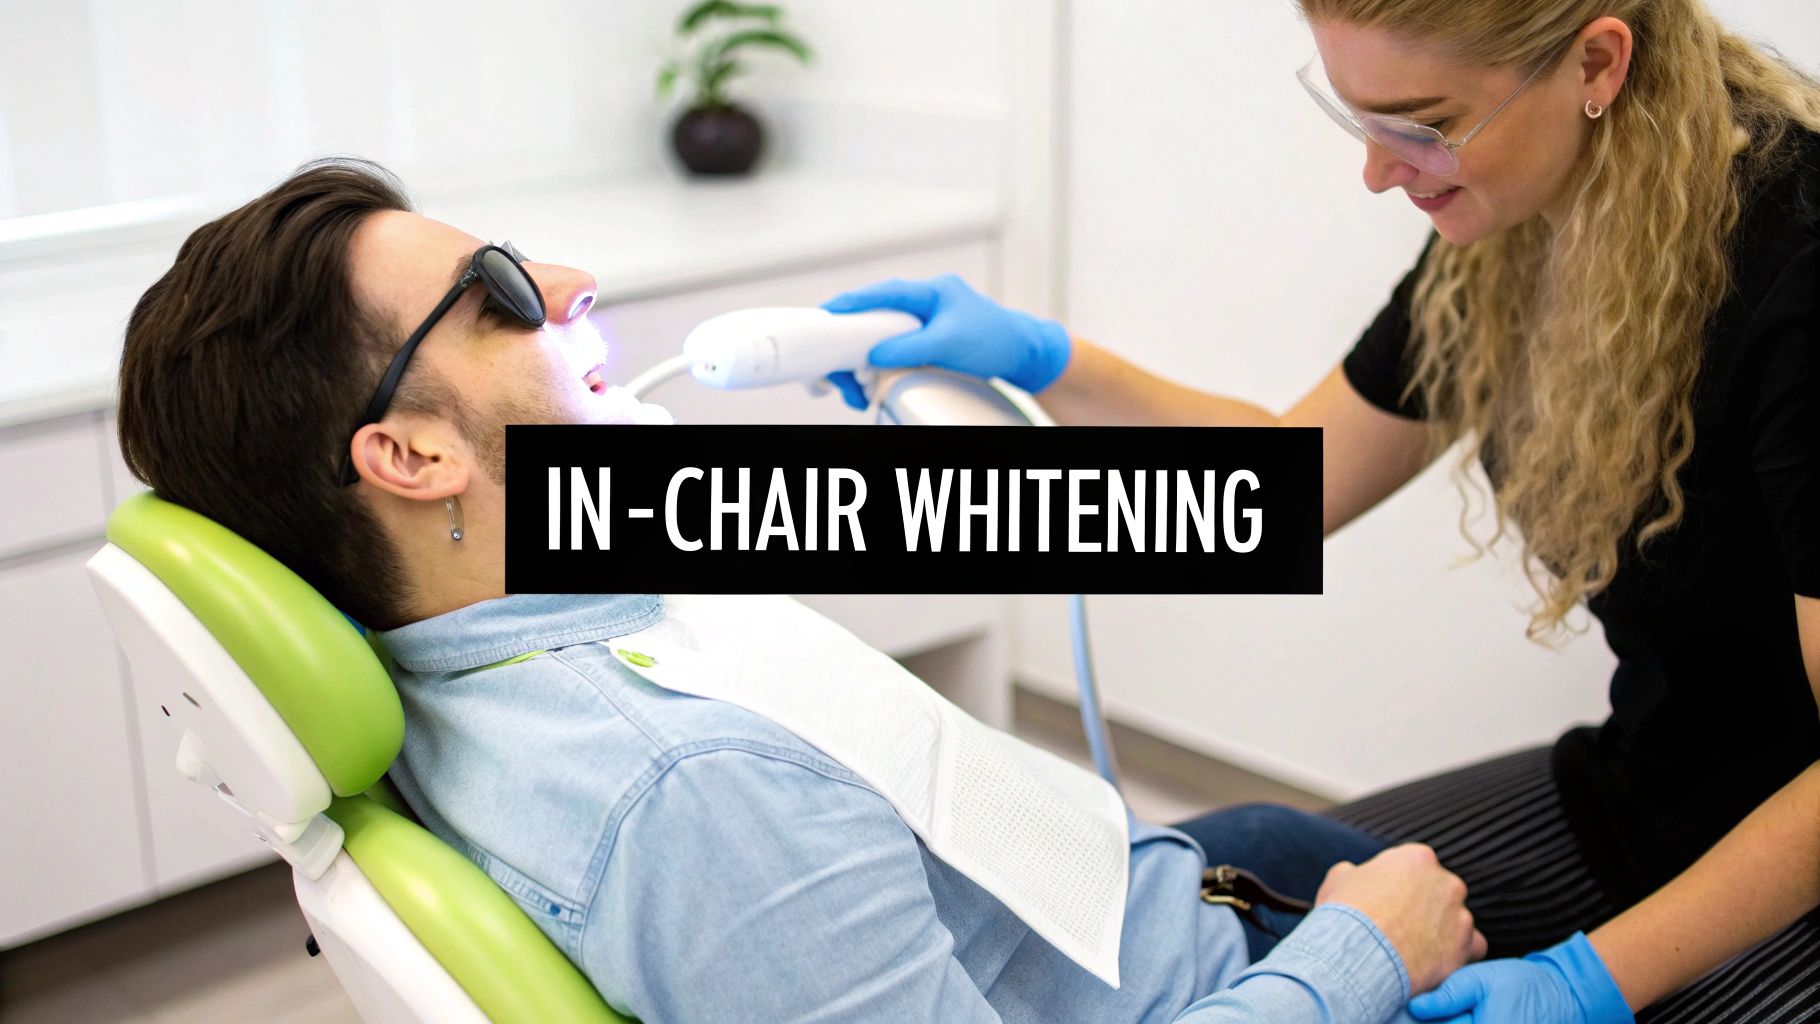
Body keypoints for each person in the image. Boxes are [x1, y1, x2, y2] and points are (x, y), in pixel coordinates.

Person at [113, 159, 1489, 1023]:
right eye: (497, 294)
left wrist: (1042, 360)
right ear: (406, 455)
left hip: (1119, 893)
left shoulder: (495, 612)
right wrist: (1357, 961)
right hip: (1232, 965)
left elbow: (1226, 516)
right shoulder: (688, 795)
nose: (576, 284)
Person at [823, 0, 1820, 1020]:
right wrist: (1050, 363)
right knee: (1226, 870)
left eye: (1422, 124)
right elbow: (1285, 490)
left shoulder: (1796, 262)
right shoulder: (1525, 229)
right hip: (1646, 795)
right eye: (1363, 122)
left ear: (1595, 63)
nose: (1381, 172)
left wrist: (1590, 982)